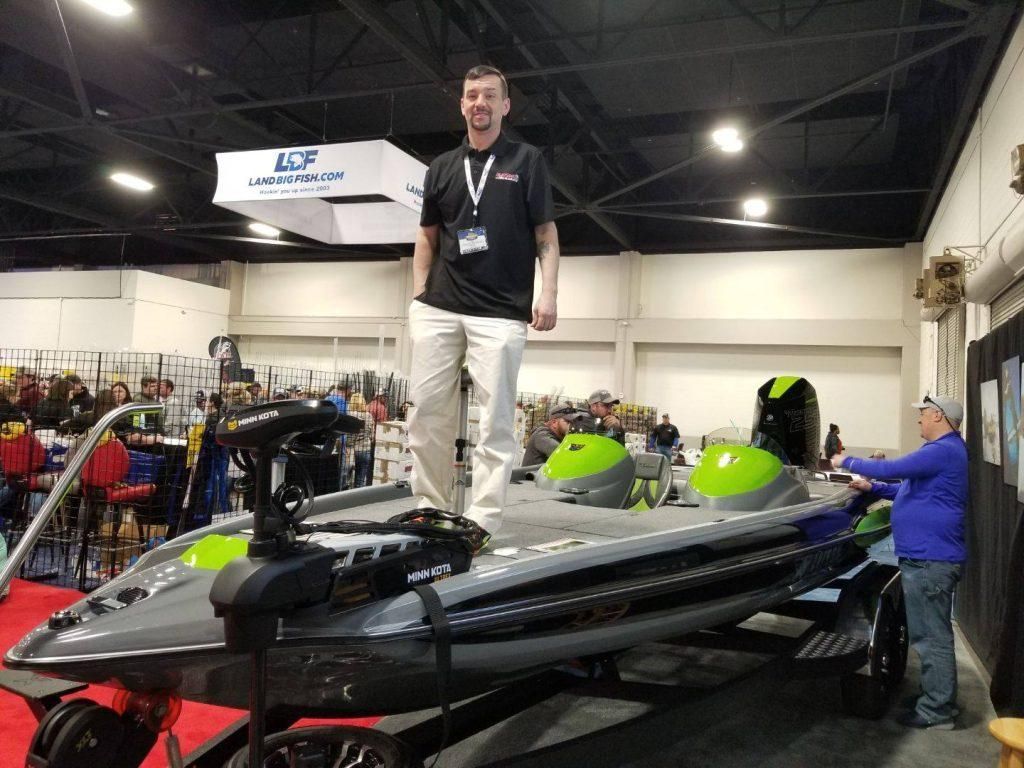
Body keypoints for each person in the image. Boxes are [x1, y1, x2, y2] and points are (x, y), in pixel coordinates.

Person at [407, 63, 559, 543]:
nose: (480, 103)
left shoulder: (526, 159)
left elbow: (546, 235)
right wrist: (418, 294)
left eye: (490, 96)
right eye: (473, 95)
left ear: (505, 105)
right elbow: (427, 236)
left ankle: (482, 519)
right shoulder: (442, 168)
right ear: (462, 103)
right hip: (440, 306)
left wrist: (548, 292)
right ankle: (429, 507)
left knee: (495, 421)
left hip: (501, 311)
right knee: (426, 413)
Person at [832, 395, 967, 730]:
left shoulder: (943, 451)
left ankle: (937, 711)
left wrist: (846, 461)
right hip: (927, 558)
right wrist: (872, 487)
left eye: (922, 414)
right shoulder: (943, 453)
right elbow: (905, 488)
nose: (918, 420)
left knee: (931, 637)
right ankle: (935, 698)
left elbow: (893, 468)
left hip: (930, 560)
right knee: (929, 633)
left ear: (938, 415)